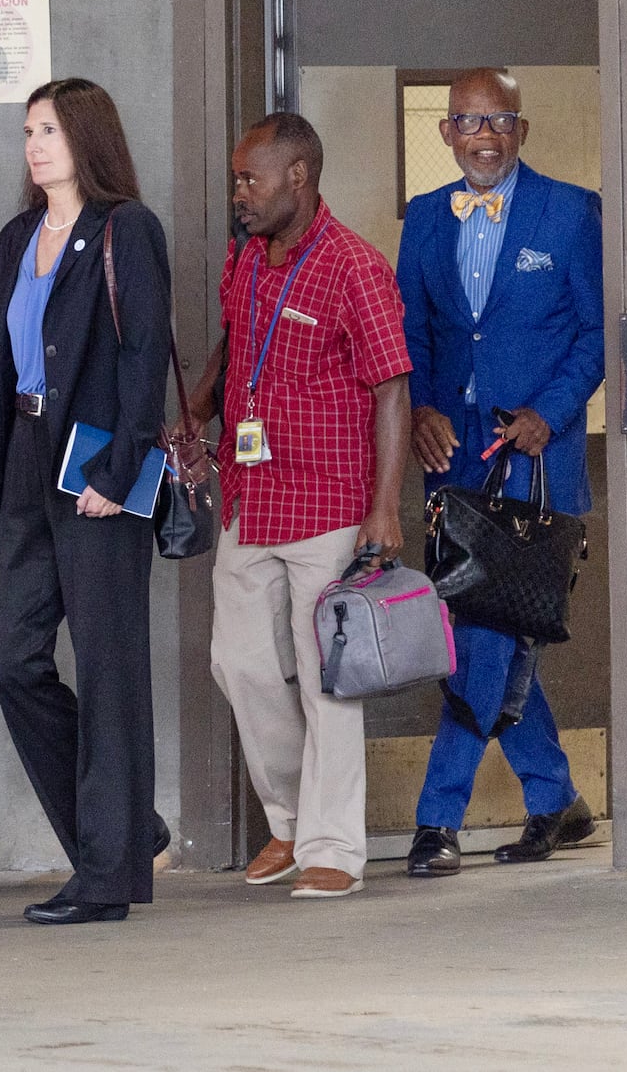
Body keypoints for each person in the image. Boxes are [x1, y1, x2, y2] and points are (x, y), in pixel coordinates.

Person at [0, 78, 172, 925]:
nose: (35, 145)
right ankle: (123, 830)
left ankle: (106, 873)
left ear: (87, 137)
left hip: (98, 468)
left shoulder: (127, 230)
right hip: (23, 460)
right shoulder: (17, 236)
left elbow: (143, 357)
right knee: (15, 663)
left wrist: (116, 473)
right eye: (28, 132)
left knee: (111, 666)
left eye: (49, 129)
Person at [187, 112, 412, 899]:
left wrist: (384, 509)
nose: (239, 193)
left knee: (328, 677)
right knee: (239, 663)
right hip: (249, 493)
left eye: (251, 179)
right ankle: (287, 820)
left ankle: (333, 846)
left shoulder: (354, 265)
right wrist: (197, 406)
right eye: (236, 179)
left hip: (329, 499)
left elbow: (392, 387)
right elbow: (231, 338)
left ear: (299, 177)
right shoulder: (245, 255)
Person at [397, 68, 604, 878]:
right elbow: (409, 328)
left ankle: (436, 816)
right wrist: (418, 409)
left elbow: (593, 333)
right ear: (446, 132)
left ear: (521, 130)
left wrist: (546, 414)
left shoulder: (569, 210)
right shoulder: (422, 218)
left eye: (499, 121)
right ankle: (555, 797)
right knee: (492, 630)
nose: (484, 136)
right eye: (468, 122)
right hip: (452, 456)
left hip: (534, 459)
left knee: (484, 634)